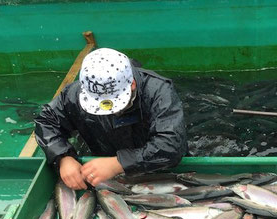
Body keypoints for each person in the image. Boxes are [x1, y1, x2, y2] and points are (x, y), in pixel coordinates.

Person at [34, 48, 188, 190]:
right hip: (104, 161)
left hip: (158, 168)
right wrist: (63, 157)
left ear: (132, 84)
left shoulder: (159, 92)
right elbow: (46, 121)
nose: (111, 112)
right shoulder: (74, 95)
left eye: (116, 102)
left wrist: (118, 163)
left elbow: (171, 145)